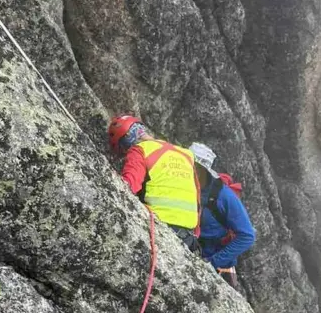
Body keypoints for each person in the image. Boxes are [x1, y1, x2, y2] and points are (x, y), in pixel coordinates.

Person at [108, 115, 201, 252]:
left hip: (160, 226)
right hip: (188, 236)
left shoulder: (140, 150)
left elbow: (129, 186)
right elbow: (197, 197)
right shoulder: (185, 154)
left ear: (126, 140)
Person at [188, 142, 255, 289]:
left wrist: (213, 261)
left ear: (201, 170)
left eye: (192, 166)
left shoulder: (224, 196)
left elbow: (247, 235)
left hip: (217, 263)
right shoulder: (186, 185)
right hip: (193, 250)